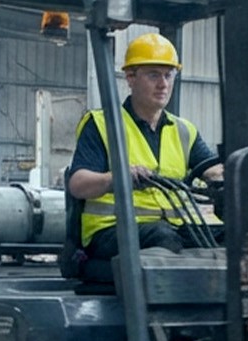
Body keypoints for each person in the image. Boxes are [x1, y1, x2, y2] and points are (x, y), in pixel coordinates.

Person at [66, 33, 223, 263]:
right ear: (130, 77)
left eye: (168, 75)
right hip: (112, 231)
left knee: (232, 236)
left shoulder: (183, 130)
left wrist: (225, 175)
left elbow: (212, 169)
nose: (163, 84)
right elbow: (78, 185)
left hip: (175, 226)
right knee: (163, 238)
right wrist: (118, 177)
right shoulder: (102, 124)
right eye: (154, 75)